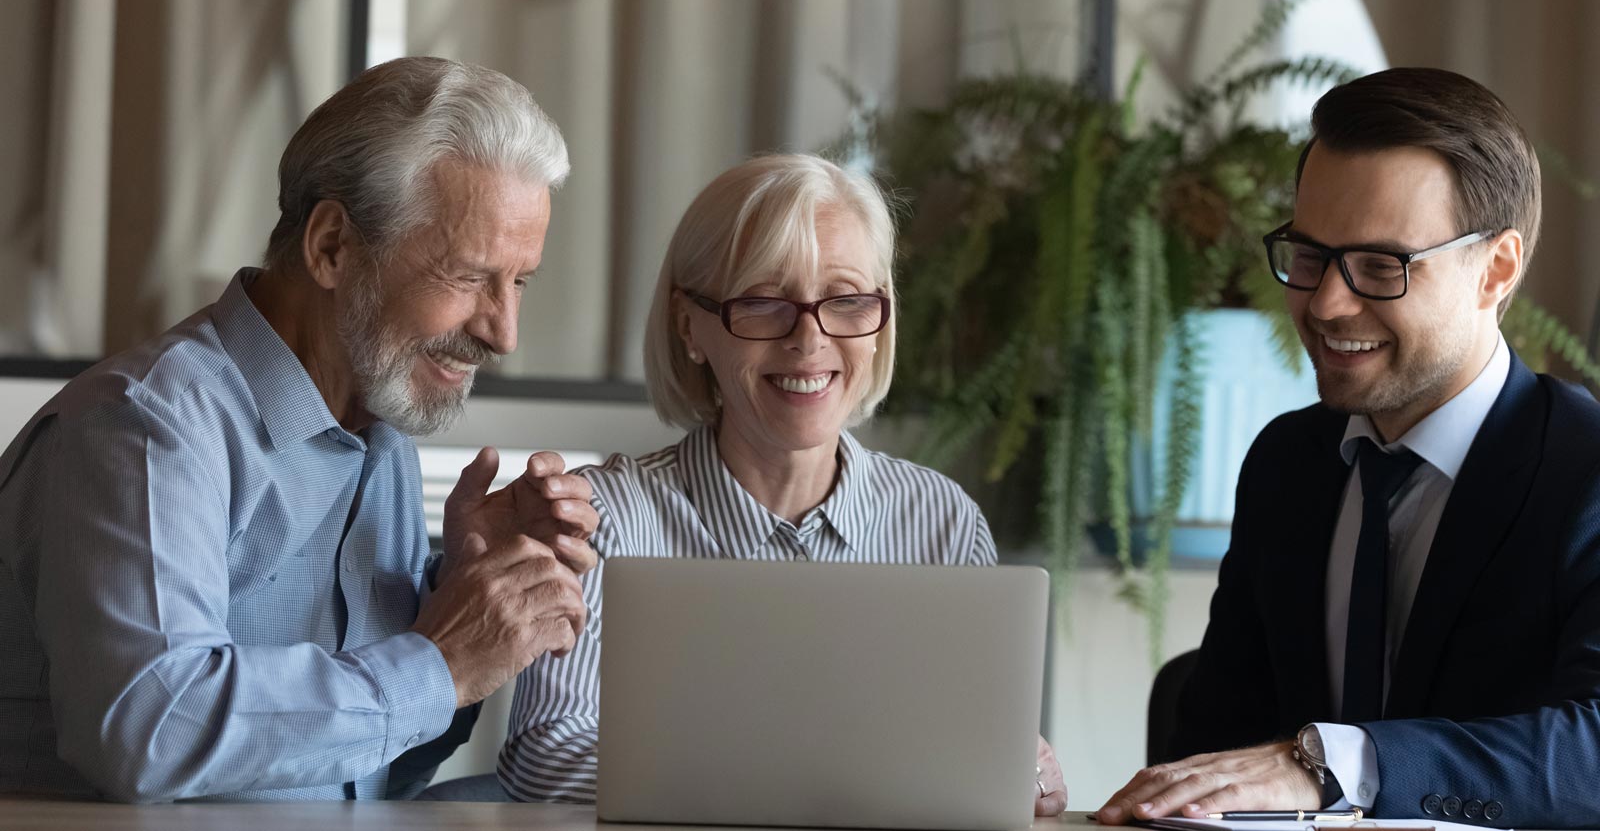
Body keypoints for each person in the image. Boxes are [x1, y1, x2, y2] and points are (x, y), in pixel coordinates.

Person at [0, 56, 601, 802]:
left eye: (519, 282)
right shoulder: (147, 424)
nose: (503, 334)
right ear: (331, 247)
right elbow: (150, 728)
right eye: (468, 276)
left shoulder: (381, 436)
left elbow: (365, 779)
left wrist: (461, 595)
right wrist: (440, 662)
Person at [1096, 67, 1600, 829]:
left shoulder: (1583, 471)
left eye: (1379, 267)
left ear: (1495, 270)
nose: (1327, 303)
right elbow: (1211, 753)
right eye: (1310, 256)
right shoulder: (1285, 465)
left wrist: (1338, 763)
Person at [494, 153, 1068, 814]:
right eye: (764, 303)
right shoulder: (603, 519)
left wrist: (1023, 773)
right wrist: (820, 788)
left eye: (846, 301)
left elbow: (974, 761)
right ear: (689, 325)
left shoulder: (943, 522)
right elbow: (544, 756)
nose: (808, 340)